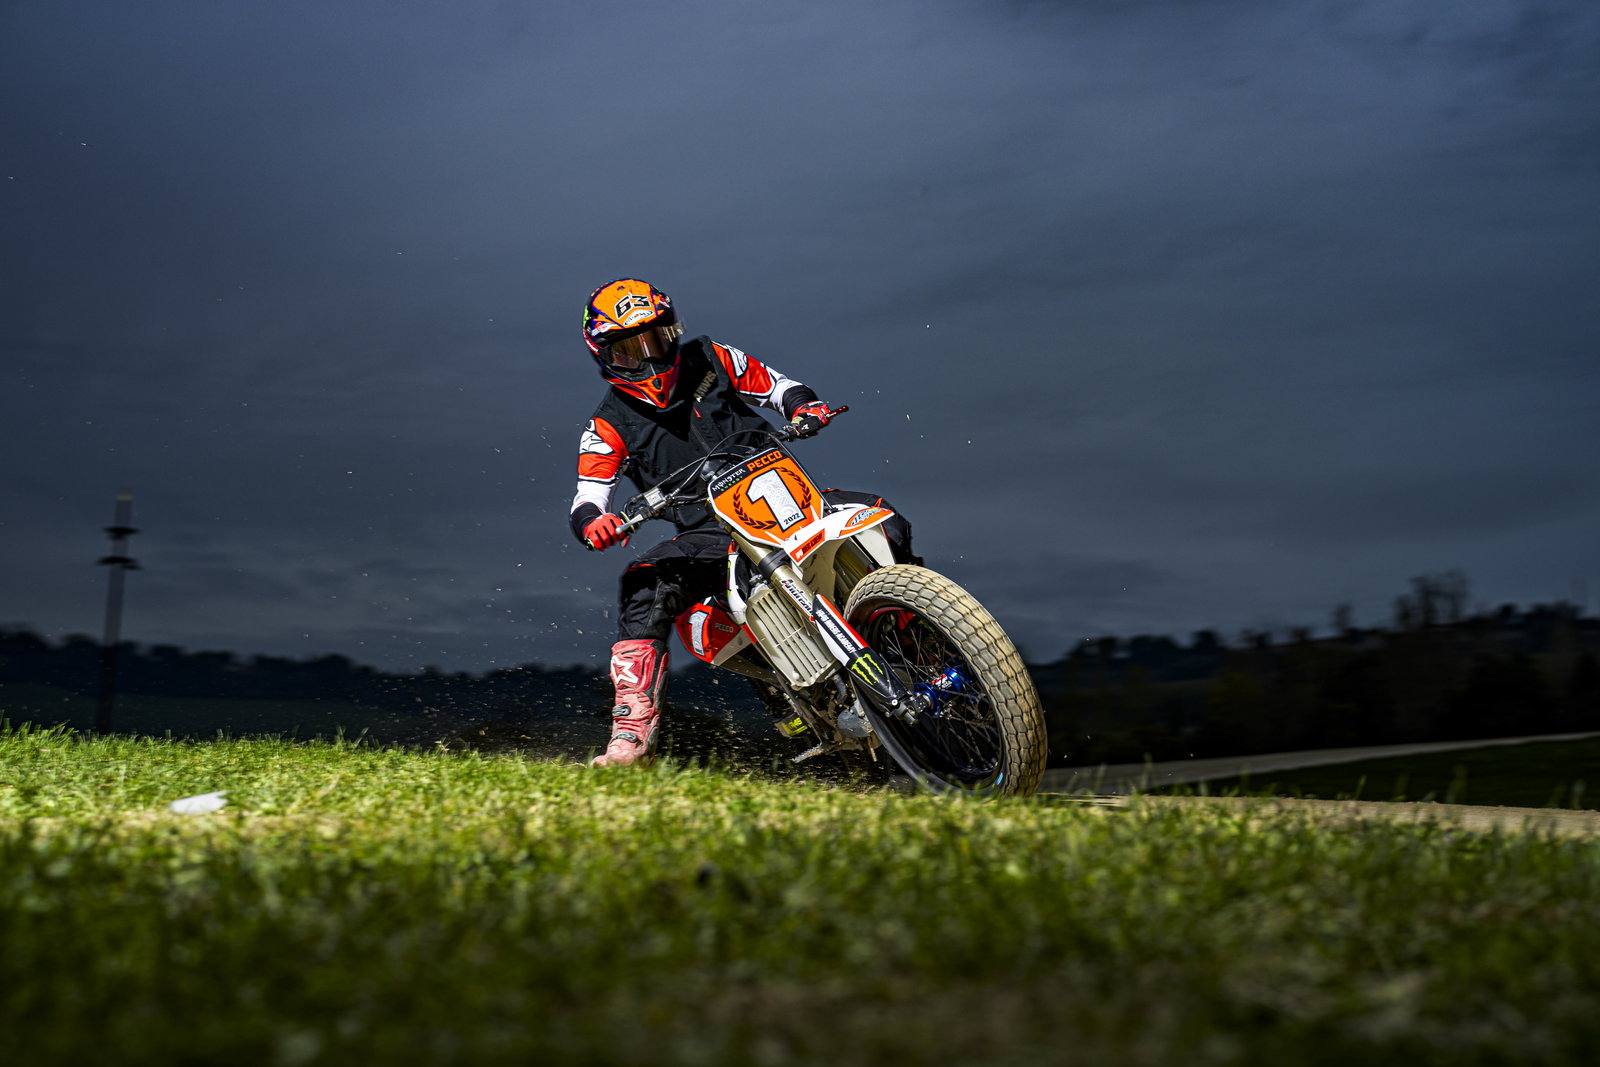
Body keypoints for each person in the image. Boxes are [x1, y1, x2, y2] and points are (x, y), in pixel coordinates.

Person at [569, 278, 913, 767]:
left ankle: (915, 638)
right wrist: (595, 523)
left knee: (887, 519)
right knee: (644, 582)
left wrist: (804, 407)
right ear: (605, 354)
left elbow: (779, 386)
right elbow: (588, 495)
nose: (650, 356)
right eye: (631, 348)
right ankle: (632, 732)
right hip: (711, 532)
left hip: (790, 497)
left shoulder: (711, 356)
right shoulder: (605, 424)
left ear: (674, 330)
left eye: (658, 338)